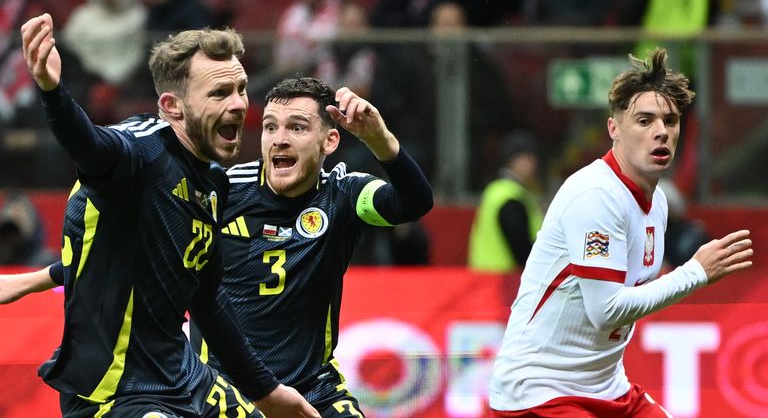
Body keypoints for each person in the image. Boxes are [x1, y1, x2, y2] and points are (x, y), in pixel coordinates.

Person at [18, 13, 319, 418]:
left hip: (182, 376)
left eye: (241, 88)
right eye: (219, 93)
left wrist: (266, 391)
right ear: (172, 107)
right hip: (115, 391)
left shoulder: (213, 181)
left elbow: (207, 299)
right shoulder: (139, 153)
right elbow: (89, 146)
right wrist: (53, 92)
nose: (238, 105)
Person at [488, 48, 753, 417]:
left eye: (670, 121)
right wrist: (695, 272)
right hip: (539, 392)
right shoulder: (596, 195)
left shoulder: (657, 202)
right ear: (614, 128)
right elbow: (607, 310)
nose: (661, 131)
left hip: (607, 387)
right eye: (644, 121)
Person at [192, 76, 433, 417]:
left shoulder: (343, 194)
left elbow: (414, 203)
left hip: (312, 389)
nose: (280, 140)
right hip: (222, 392)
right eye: (270, 127)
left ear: (330, 140)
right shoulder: (222, 191)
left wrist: (380, 141)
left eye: (297, 128)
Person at [467, 132, 543, 274]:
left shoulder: (495, 191)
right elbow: (522, 251)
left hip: (483, 281)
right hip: (505, 282)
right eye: (527, 158)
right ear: (512, 161)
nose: (533, 164)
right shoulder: (510, 197)